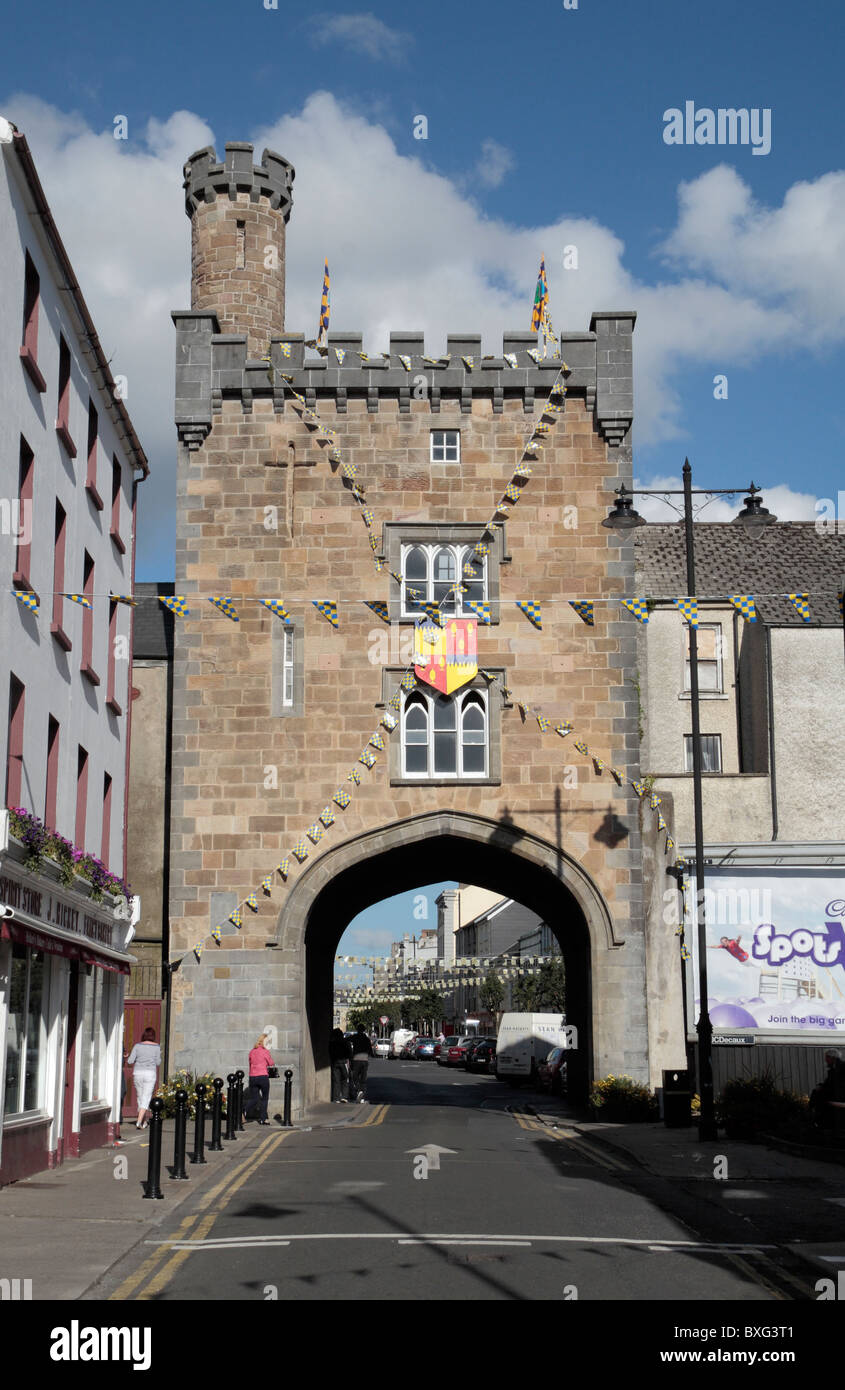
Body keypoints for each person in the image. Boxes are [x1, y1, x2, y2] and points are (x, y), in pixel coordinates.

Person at [126, 1027, 161, 1129]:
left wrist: (127, 1056)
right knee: (146, 1097)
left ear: (144, 1035)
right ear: (153, 1036)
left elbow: (130, 1061)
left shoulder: (137, 1046)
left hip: (138, 1073)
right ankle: (139, 1121)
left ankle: (143, 1122)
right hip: (150, 1073)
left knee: (140, 1097)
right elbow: (158, 1062)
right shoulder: (157, 1047)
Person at [810, 1047, 845, 1130]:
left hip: (840, 1095)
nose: (825, 1060)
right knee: (816, 1093)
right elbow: (829, 1083)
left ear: (831, 1057)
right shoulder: (835, 1068)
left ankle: (817, 1119)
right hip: (836, 1092)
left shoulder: (840, 1068)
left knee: (818, 1096)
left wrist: (822, 1087)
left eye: (826, 1058)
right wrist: (821, 1086)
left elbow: (835, 1084)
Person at [247, 1032, 275, 1125]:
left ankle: (242, 1111)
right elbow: (271, 1063)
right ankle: (263, 1119)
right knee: (264, 1098)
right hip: (263, 1077)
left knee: (254, 1099)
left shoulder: (252, 1051)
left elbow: (250, 1064)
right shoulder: (265, 1051)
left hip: (252, 1077)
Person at [350, 1024, 374, 1104]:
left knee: (355, 1077)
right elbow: (370, 1050)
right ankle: (362, 1095)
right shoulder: (366, 1039)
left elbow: (345, 1039)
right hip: (364, 1060)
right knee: (363, 1078)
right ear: (364, 1030)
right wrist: (370, 1055)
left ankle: (358, 1089)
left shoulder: (355, 1037)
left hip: (356, 1060)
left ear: (357, 1029)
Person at [329, 1027, 352, 1102]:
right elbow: (349, 1051)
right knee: (345, 1079)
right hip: (344, 1061)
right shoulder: (345, 1041)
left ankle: (336, 1098)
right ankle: (344, 1096)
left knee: (336, 1080)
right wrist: (350, 1060)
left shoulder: (332, 1042)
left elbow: (330, 1052)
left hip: (335, 1062)